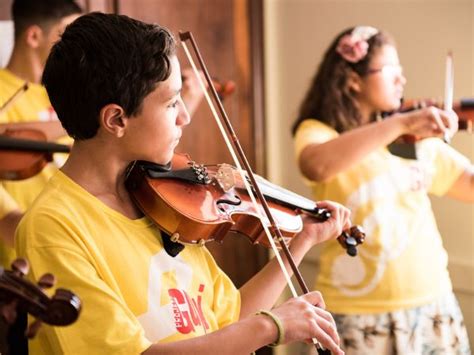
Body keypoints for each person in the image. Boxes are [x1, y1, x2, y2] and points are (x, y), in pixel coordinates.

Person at [15, 12, 352, 354]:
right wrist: (270, 325)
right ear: (116, 118)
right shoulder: (53, 225)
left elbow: (228, 319)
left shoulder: (162, 202)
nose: (185, 116)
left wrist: (301, 240)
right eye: (172, 102)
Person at [292, 26, 473, 354]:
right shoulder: (320, 132)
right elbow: (315, 165)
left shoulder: (415, 138)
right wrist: (401, 123)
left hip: (432, 305)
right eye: (391, 71)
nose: (402, 80)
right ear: (353, 79)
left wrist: (407, 126)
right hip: (357, 314)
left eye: (402, 72)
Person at [0, 0, 82, 267]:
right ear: (34, 36)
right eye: (67, 34)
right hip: (26, 256)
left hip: (77, 240)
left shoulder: (70, 93)